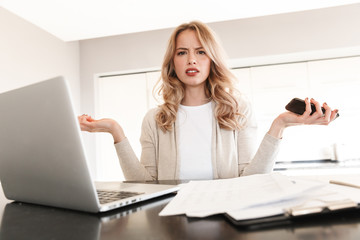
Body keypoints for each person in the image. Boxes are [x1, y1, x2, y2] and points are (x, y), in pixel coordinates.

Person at [78, 21, 338, 181]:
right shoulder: (155, 119)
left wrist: (280, 125)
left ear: (212, 59)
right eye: (182, 52)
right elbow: (144, 186)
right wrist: (116, 132)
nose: (191, 59)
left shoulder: (238, 110)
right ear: (173, 63)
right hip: (171, 221)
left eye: (201, 52)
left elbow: (250, 180)